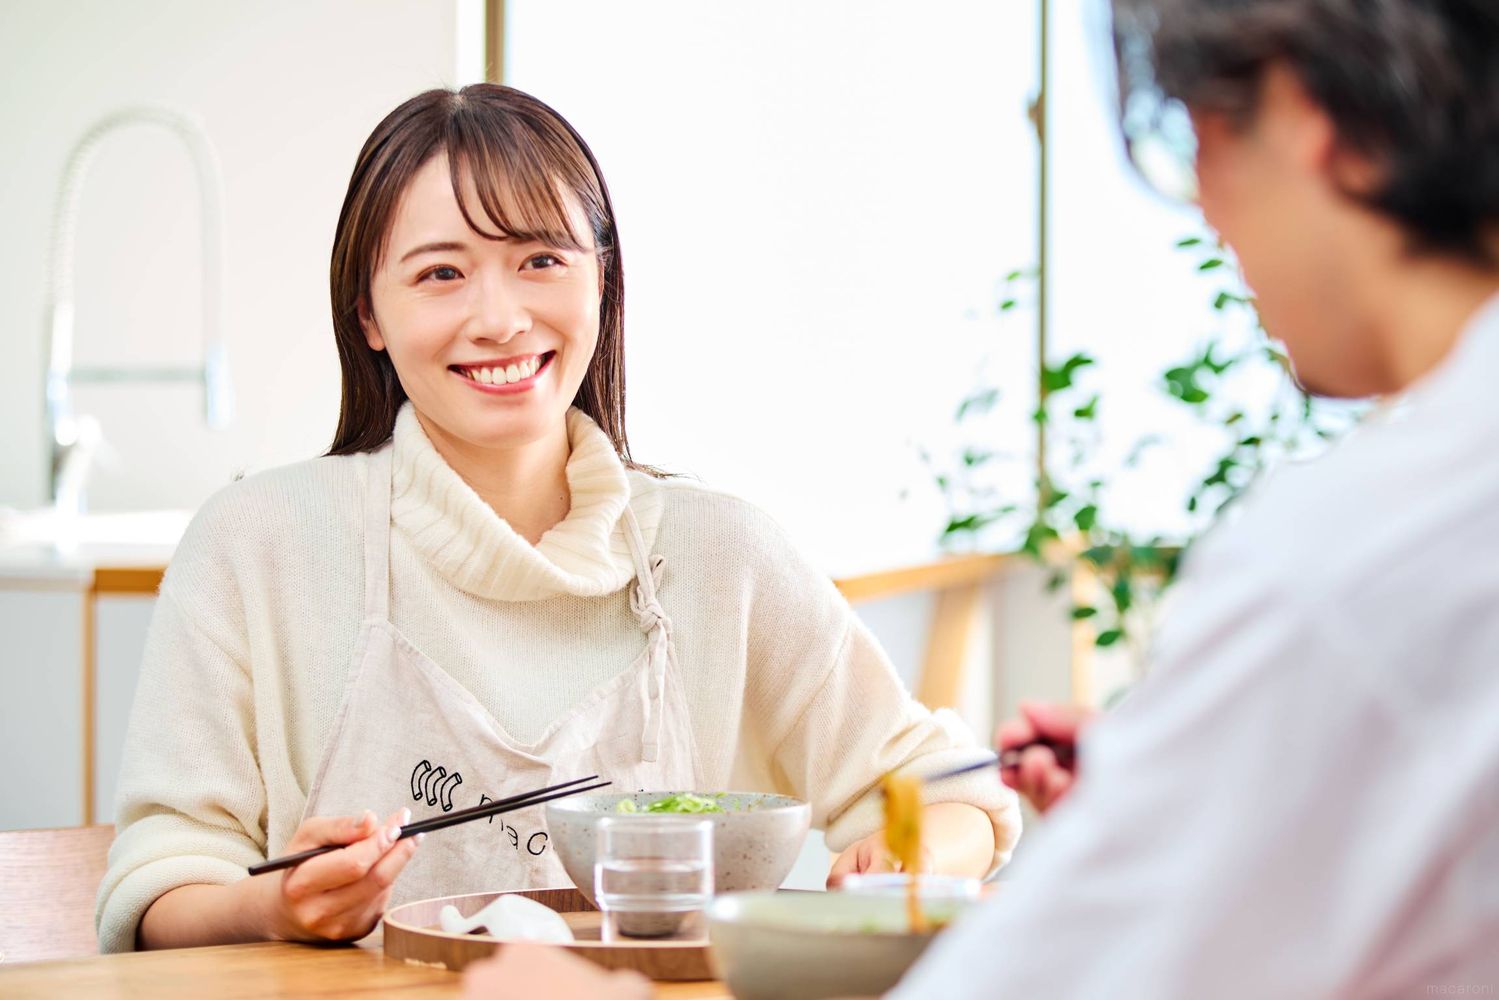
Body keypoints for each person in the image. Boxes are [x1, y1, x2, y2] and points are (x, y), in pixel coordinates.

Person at [462, 0, 1499, 995]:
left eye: (1193, 142)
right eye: (443, 274)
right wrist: (1210, 792)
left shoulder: (1347, 562)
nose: (1210, 218)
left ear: (1318, 121)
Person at [93, 84, 1020, 953]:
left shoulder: (719, 553)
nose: (499, 319)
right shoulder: (259, 543)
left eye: (540, 260)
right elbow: (161, 886)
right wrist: (275, 907)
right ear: (367, 314)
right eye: (441, 273)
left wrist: (909, 860)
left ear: (602, 281)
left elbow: (948, 795)